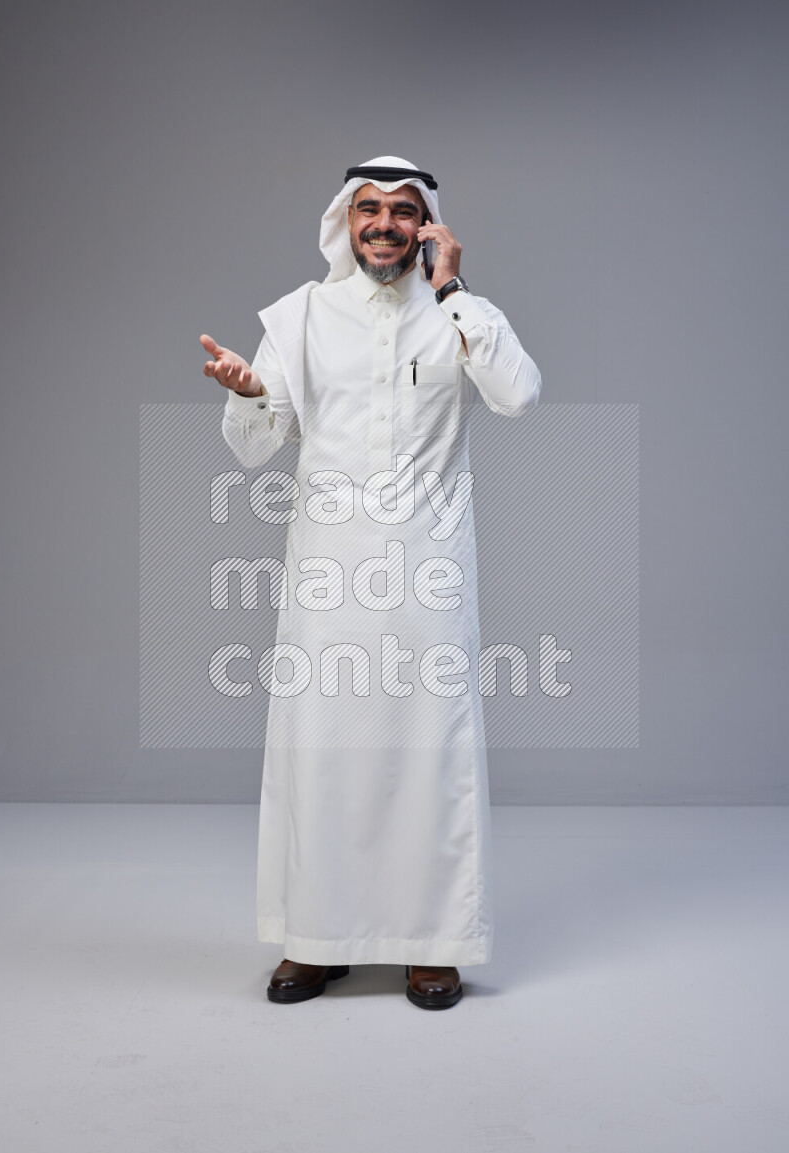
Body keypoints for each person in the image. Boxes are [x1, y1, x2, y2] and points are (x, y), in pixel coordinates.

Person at [200, 156, 541, 1010]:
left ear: (427, 224)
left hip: (428, 570)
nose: (384, 224)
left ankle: (434, 944)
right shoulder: (303, 315)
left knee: (430, 753)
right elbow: (254, 442)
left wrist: (455, 289)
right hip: (327, 571)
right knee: (323, 753)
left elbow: (520, 396)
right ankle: (318, 940)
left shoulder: (460, 315)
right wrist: (247, 394)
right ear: (344, 223)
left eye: (402, 211)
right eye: (368, 210)